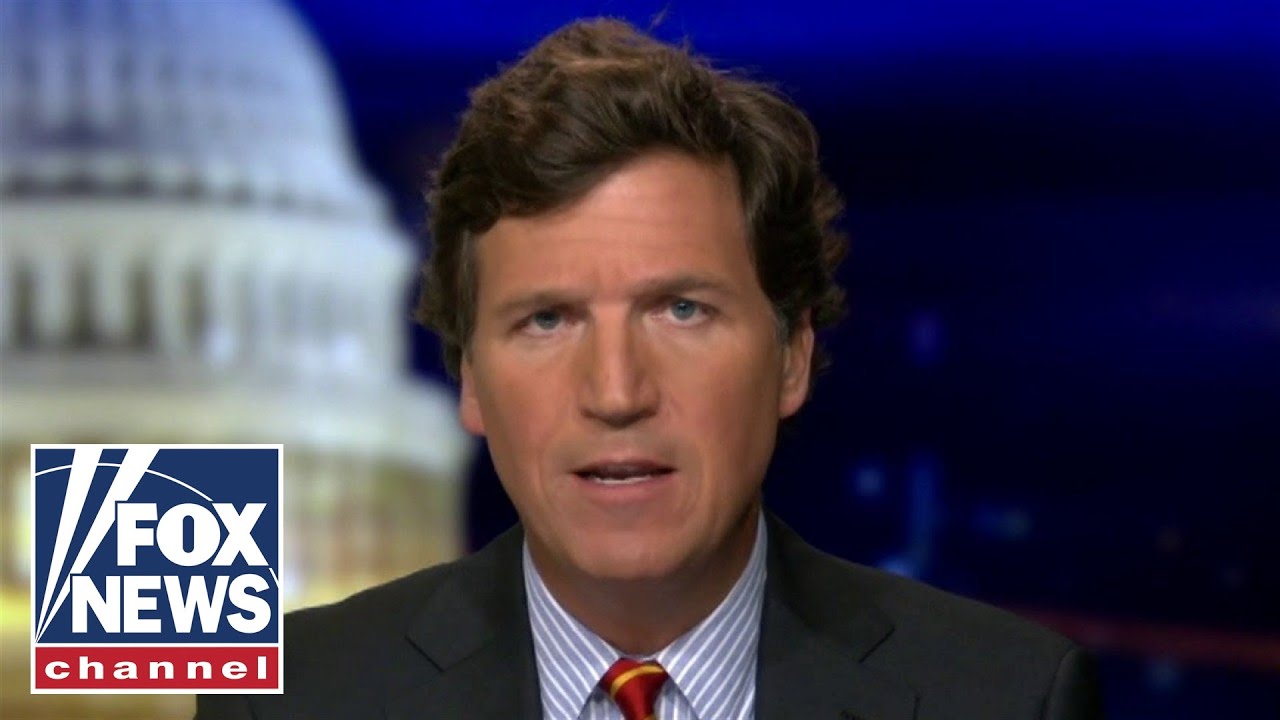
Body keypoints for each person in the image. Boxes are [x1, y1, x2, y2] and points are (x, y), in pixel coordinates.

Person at [198, 18, 1103, 720]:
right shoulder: (290, 701)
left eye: (681, 310)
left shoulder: (1008, 698)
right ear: (470, 379)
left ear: (792, 355)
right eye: (547, 319)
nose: (616, 392)